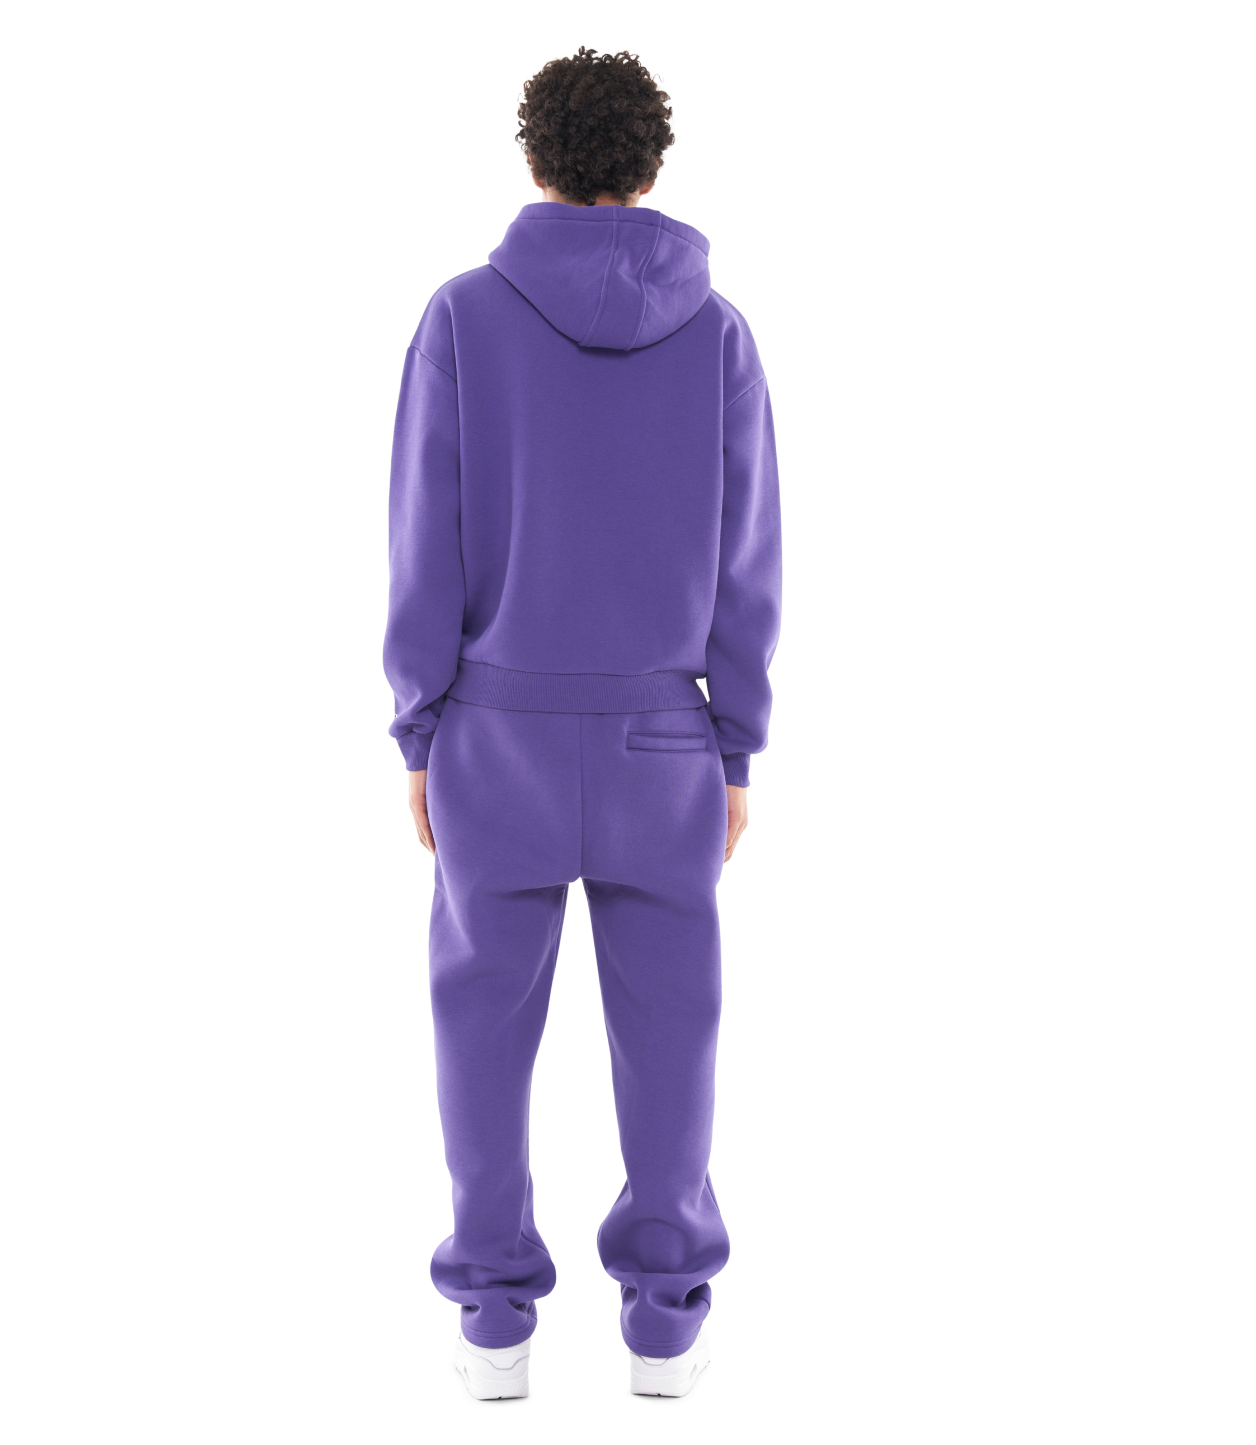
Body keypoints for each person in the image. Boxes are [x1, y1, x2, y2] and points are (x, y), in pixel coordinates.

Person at [382, 46, 781, 1400]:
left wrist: (418, 728)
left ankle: (494, 1323)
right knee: (673, 1032)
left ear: (534, 161)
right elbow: (749, 564)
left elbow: (423, 544)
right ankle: (665, 1325)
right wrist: (736, 745)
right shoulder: (720, 335)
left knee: (478, 1031)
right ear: (652, 167)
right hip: (666, 740)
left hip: (495, 733)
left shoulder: (461, 318)